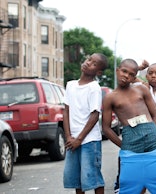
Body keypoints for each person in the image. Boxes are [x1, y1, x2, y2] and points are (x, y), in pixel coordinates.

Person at [102, 59, 156, 194]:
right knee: (129, 184)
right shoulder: (110, 97)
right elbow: (106, 127)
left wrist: (153, 132)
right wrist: (123, 145)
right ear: (117, 70)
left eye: (131, 74)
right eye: (124, 71)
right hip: (130, 140)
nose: (126, 75)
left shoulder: (141, 89)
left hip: (152, 138)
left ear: (134, 77)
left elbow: (155, 114)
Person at [63, 53, 108, 194]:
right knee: (77, 180)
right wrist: (69, 137)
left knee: (93, 177)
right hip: (73, 140)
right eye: (89, 59)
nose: (88, 63)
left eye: (94, 63)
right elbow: (66, 111)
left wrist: (80, 139)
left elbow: (95, 115)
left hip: (89, 140)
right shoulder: (70, 85)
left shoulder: (94, 88)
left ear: (98, 72)